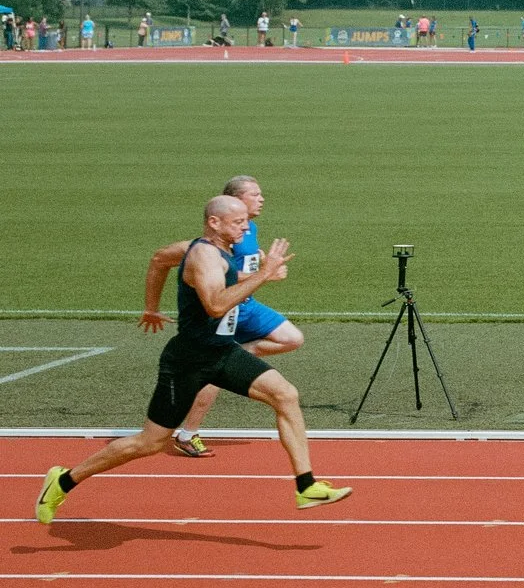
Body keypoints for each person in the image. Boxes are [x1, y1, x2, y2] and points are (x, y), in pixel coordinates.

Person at [37, 195, 350, 523]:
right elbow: (215, 304)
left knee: (285, 395)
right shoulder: (202, 253)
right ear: (214, 222)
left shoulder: (217, 251)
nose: (246, 226)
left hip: (222, 352)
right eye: (238, 221)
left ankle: (306, 485)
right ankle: (63, 480)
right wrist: (264, 274)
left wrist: (151, 307)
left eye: (246, 219)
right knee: (149, 443)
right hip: (188, 360)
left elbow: (160, 259)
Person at [145, 174, 307, 456]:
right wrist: (151, 308)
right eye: (254, 195)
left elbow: (245, 260)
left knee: (292, 338)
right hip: (223, 312)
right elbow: (161, 258)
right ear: (234, 202)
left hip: (246, 307)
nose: (262, 199)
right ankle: (188, 432)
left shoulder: (249, 229)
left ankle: (236, 357)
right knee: (214, 370)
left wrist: (261, 262)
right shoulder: (204, 247)